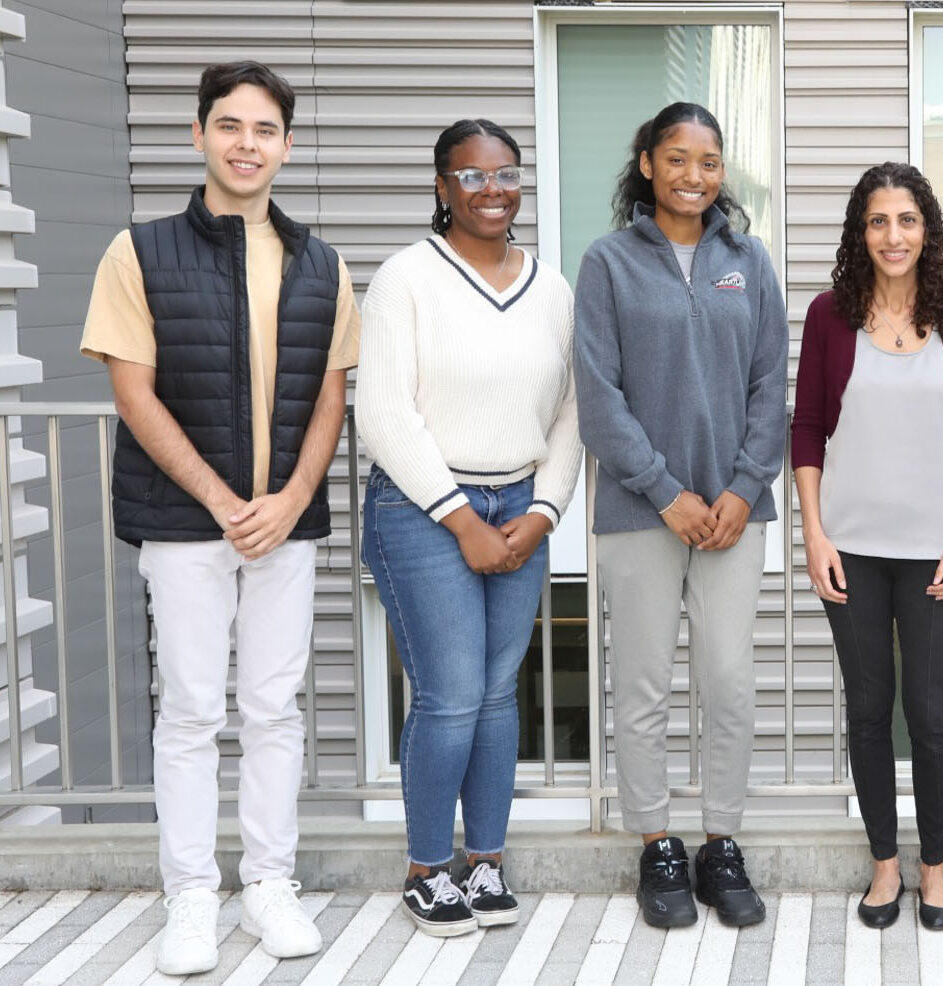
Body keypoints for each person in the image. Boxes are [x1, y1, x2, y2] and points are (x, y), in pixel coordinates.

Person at [79, 61, 356, 976]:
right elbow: (133, 390)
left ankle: (268, 884)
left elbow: (328, 397)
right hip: (185, 522)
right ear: (197, 134)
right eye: (230, 125)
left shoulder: (321, 261)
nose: (247, 143)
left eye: (265, 128)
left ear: (287, 144)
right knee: (192, 712)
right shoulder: (139, 251)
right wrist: (221, 501)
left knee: (274, 710)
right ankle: (192, 896)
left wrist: (286, 501)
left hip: (284, 526)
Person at [356, 119, 581, 937]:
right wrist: (461, 519)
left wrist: (544, 511)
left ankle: (483, 862)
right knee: (449, 695)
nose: (494, 190)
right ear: (443, 187)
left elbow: (571, 412)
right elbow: (383, 413)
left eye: (507, 174)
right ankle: (426, 867)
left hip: (521, 506)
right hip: (422, 510)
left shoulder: (551, 288)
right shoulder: (404, 279)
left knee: (494, 696)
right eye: (473, 176)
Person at [574, 102, 786, 929]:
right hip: (640, 511)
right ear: (648, 162)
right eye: (677, 158)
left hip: (737, 512)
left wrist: (738, 489)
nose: (693, 175)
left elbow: (773, 386)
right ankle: (657, 843)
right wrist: (667, 491)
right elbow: (599, 399)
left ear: (721, 171)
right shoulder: (608, 263)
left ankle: (720, 844)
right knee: (644, 688)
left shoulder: (749, 261)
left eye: (708, 161)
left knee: (731, 684)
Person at [791, 162, 943, 931]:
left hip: (940, 549)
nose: (893, 235)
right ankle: (884, 866)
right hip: (852, 550)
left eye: (906, 220)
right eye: (878, 221)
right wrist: (814, 533)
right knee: (871, 711)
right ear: (859, 233)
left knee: (932, 714)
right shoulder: (828, 317)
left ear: (928, 230)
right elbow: (806, 427)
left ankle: (934, 870)